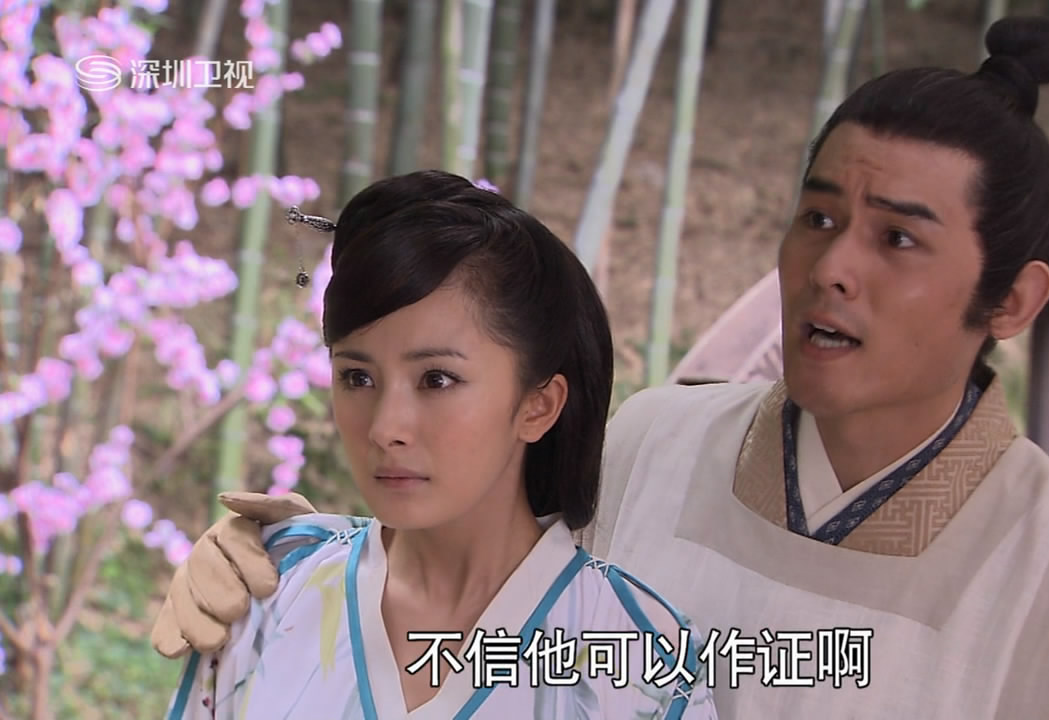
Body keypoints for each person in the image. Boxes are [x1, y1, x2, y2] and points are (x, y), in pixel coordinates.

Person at [153, 16, 1049, 719]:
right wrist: (278, 572)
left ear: (1012, 301)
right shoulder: (654, 440)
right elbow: (472, 605)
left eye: (896, 238)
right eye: (818, 218)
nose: (832, 267)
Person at [161, 170, 718, 719]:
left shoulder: (646, 668)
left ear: (538, 405)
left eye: (437, 379)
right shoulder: (270, 591)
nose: (386, 427)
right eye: (357, 377)